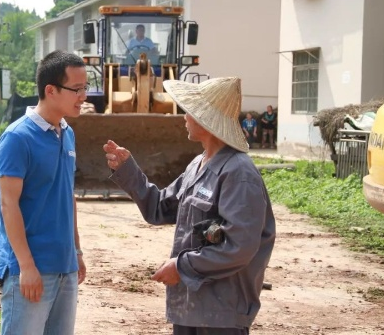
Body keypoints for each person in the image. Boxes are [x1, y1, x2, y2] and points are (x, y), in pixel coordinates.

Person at [103, 77, 276, 335]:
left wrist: (181, 267)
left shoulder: (239, 174)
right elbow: (159, 208)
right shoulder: (198, 165)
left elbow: (239, 247)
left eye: (189, 111)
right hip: (191, 307)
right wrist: (129, 171)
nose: (184, 117)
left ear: (206, 120)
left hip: (222, 315)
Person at [0, 50, 88, 335]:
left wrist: (77, 251)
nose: (84, 96)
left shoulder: (67, 133)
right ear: (50, 90)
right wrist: (26, 266)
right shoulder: (17, 138)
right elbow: (9, 205)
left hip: (65, 268)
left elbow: (67, 196)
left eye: (86, 88)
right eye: (77, 89)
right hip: (31, 270)